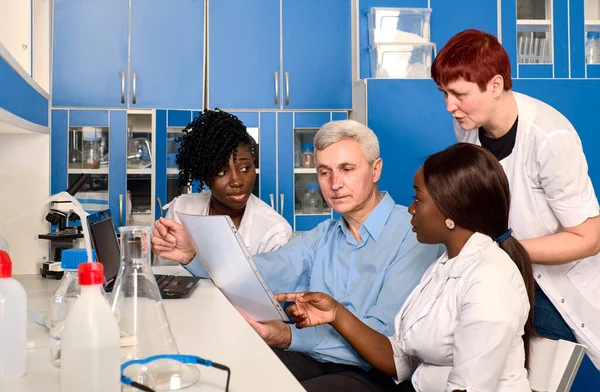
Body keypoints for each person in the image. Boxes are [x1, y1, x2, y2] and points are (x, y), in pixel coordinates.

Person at [151, 119, 443, 391]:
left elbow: (383, 343)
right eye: (324, 172)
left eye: (347, 169)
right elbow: (260, 271)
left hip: (373, 373)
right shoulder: (322, 235)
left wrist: (288, 336)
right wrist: (192, 256)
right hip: (314, 355)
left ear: (375, 169)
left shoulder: (415, 233)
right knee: (226, 376)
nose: (334, 183)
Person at [278, 143, 535, 391]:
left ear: (450, 211)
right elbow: (400, 359)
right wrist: (335, 313)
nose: (410, 209)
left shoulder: (490, 279)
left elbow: (468, 388)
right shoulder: (442, 267)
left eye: (418, 199)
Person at [431, 29, 600, 369]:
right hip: (503, 276)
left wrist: (504, 248)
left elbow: (590, 237)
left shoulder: (549, 137)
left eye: (458, 94)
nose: (449, 106)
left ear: (494, 86)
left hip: (555, 286)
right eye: (444, 93)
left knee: (543, 371)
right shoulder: (468, 125)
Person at [152, 109, 292, 277]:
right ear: (205, 176)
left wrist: (192, 256)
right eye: (221, 172)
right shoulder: (181, 210)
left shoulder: (275, 232)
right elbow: (165, 276)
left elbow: (262, 296)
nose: (236, 181)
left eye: (245, 168)